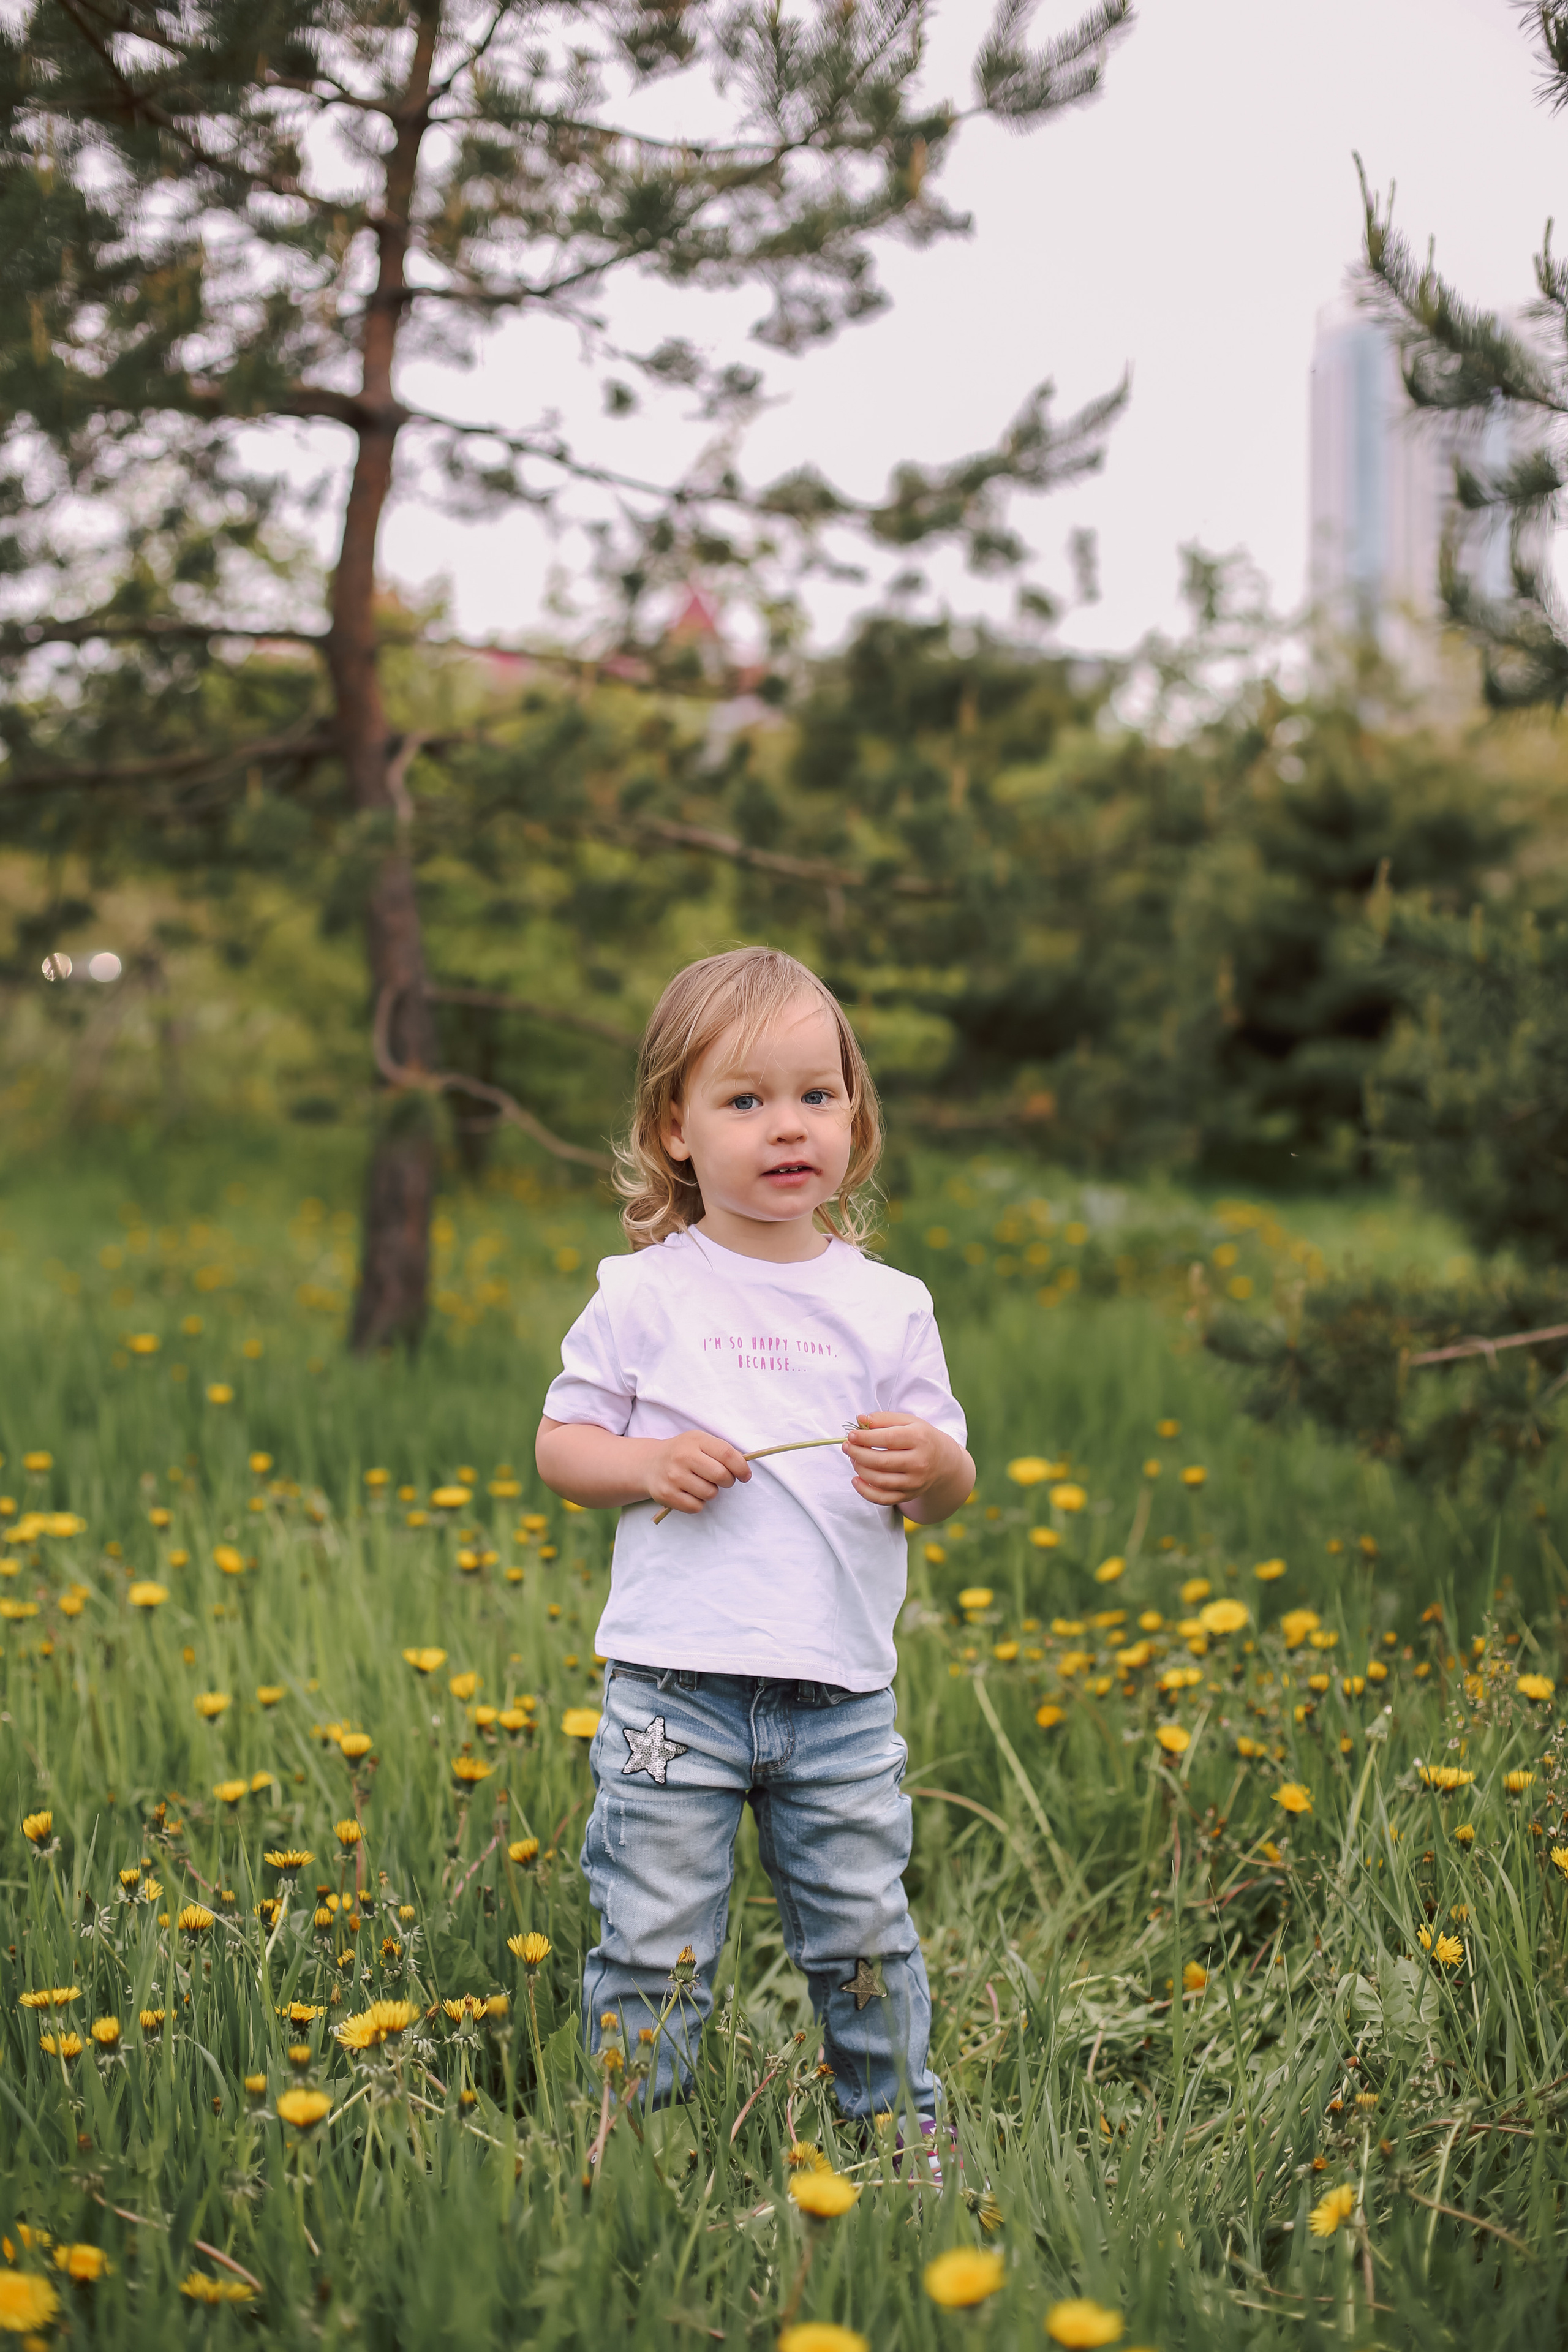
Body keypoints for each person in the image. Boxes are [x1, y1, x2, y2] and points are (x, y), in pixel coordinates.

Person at [535, 944, 973, 2143]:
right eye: (745, 1100)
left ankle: (898, 2144)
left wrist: (928, 1470)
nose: (788, 1127)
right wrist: (644, 1463)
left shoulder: (887, 1304)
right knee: (652, 1942)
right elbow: (562, 1447)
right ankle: (631, 2155)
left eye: (815, 1096)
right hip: (675, 1693)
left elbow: (945, 1481)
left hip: (836, 1697)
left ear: (853, 1118)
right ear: (673, 1128)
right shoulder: (644, 1295)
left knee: (861, 1937)